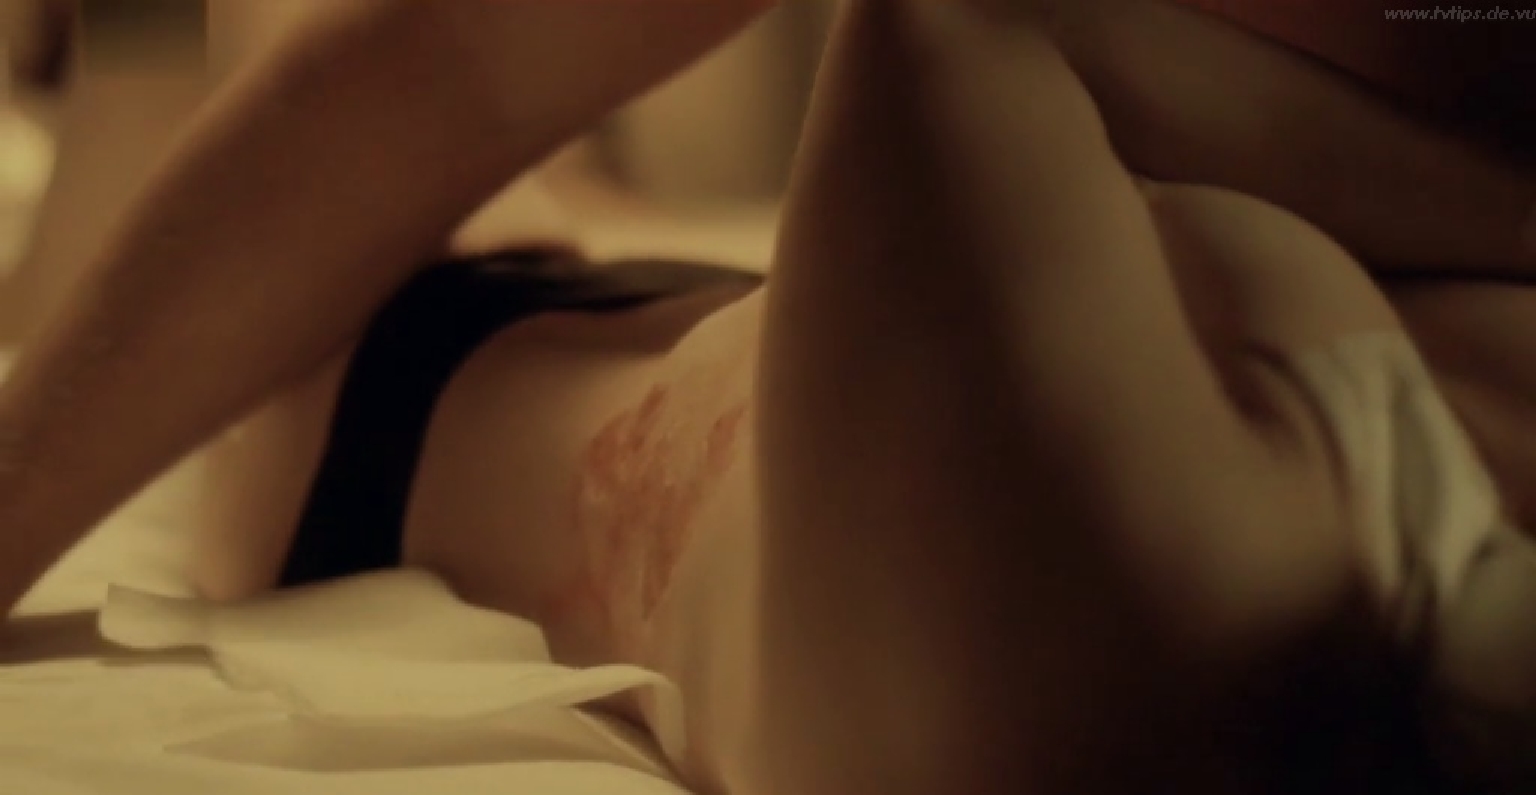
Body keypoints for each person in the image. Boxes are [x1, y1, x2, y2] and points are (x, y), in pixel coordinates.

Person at [1, 0, 1534, 792]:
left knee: (214, 56)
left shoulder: (1164, 624)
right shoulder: (1281, 570)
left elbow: (453, 66)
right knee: (553, 192)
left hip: (424, 397)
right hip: (653, 354)